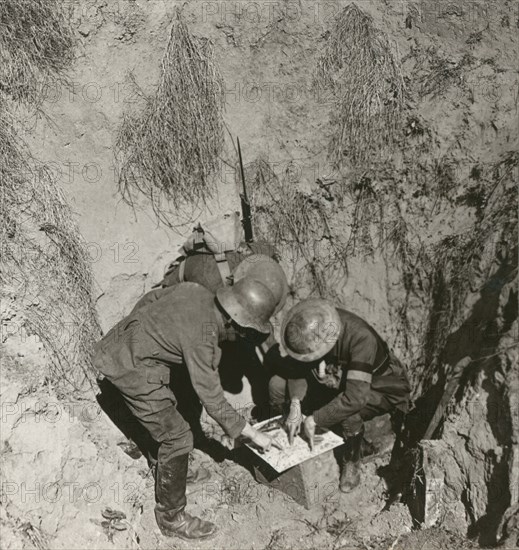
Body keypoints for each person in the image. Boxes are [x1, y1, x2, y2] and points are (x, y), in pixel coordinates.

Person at [93, 278, 281, 540]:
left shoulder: (195, 290)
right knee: (178, 437)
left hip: (117, 345)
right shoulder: (205, 337)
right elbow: (212, 398)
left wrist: (146, 336)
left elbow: (149, 300)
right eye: (244, 333)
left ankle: (168, 470)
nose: (241, 339)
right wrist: (252, 433)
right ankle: (172, 518)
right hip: (131, 368)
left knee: (175, 407)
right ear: (233, 322)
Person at [268, 298, 411, 493]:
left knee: (349, 412)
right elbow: (299, 369)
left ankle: (353, 461)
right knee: (278, 383)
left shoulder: (361, 339)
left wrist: (315, 419)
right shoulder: (311, 321)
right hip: (339, 379)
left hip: (380, 386)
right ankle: (282, 430)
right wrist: (294, 404)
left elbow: (355, 398)